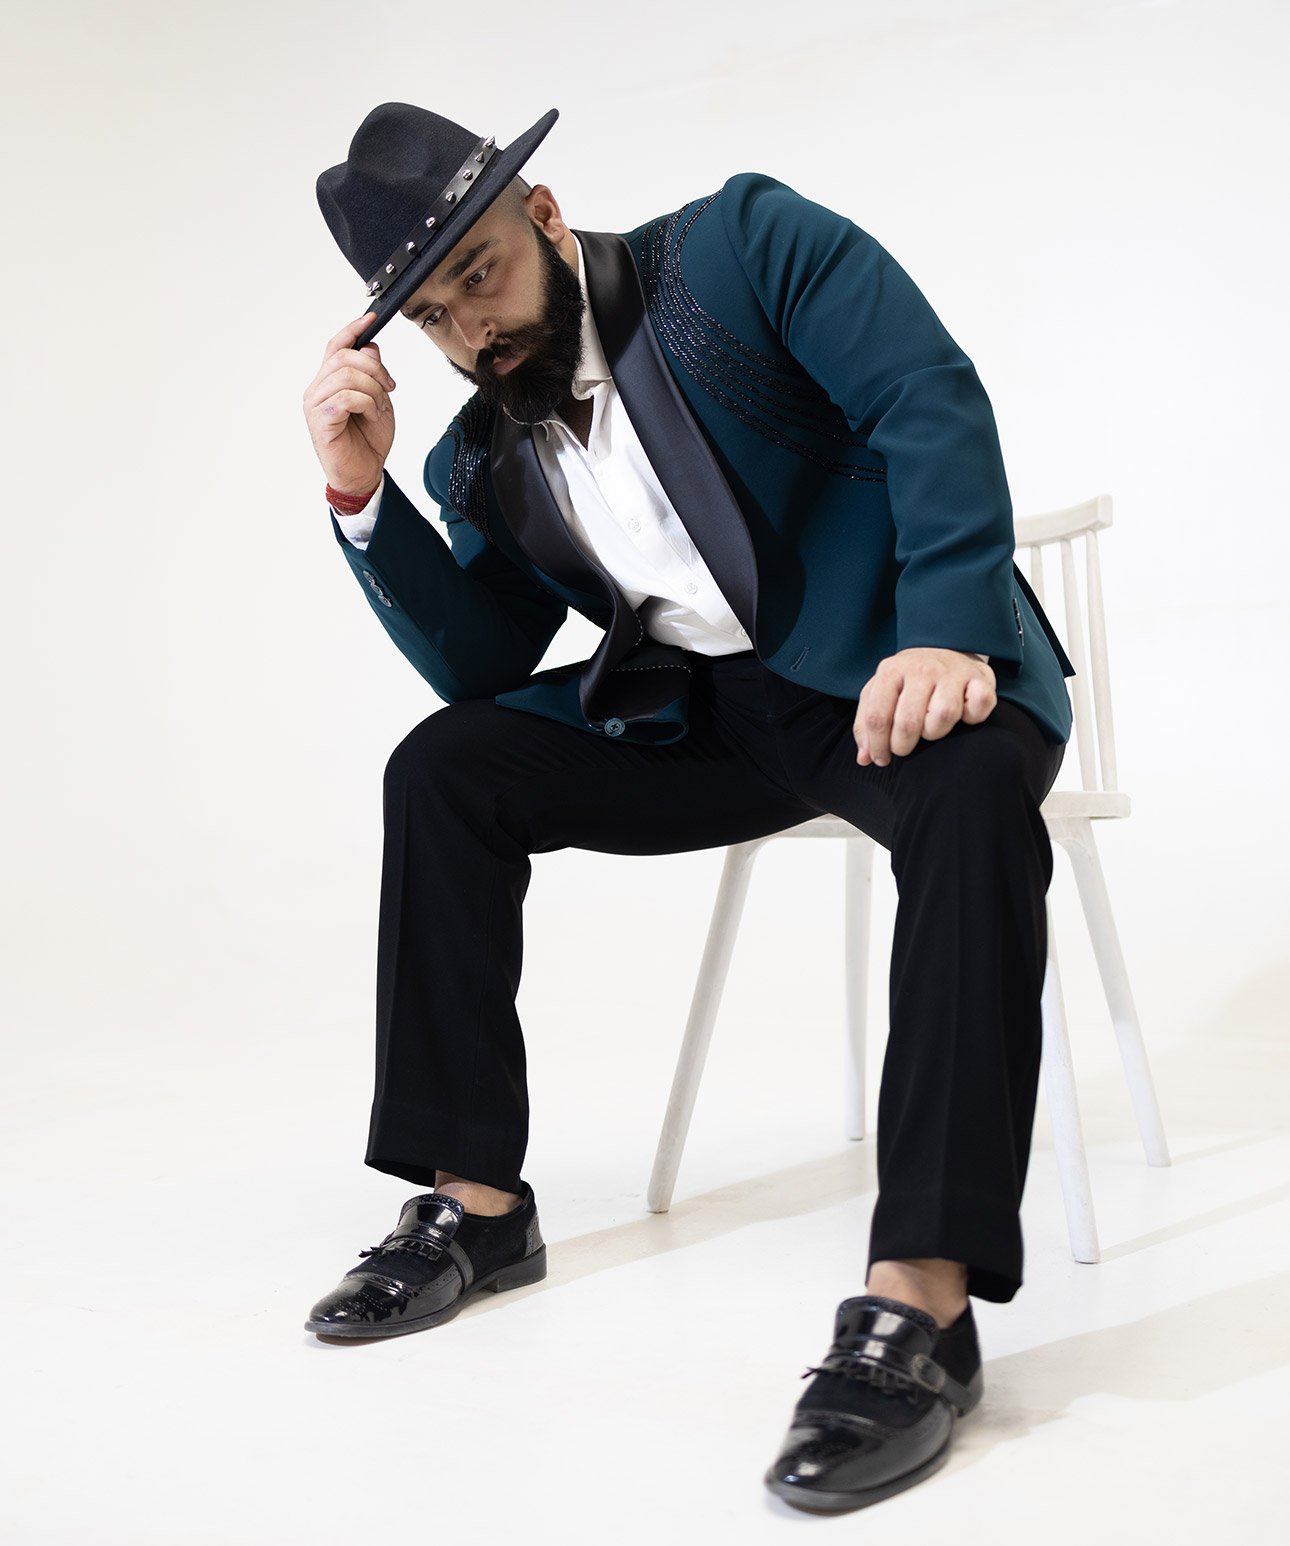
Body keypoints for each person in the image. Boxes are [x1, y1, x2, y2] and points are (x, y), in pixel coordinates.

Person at [301, 102, 1075, 1514]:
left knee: (971, 802)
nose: (473, 330)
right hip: (703, 717)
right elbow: (484, 660)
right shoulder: (480, 450)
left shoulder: (739, 249)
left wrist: (948, 628)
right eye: (433, 317)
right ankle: (478, 1205)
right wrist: (362, 495)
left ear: (543, 215)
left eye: (479, 273)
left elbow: (925, 394)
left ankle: (921, 1299)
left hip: (889, 670)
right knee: (445, 765)